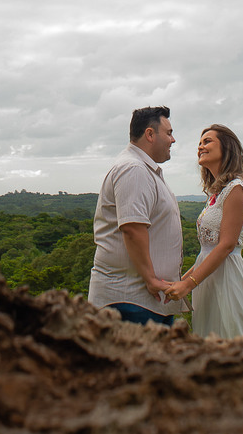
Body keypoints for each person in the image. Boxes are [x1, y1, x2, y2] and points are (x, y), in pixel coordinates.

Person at [164, 123, 243, 337]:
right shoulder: (217, 193)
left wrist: (188, 285)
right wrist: (182, 282)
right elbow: (207, 253)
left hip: (228, 280)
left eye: (207, 141)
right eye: (199, 143)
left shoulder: (236, 188)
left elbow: (226, 245)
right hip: (208, 280)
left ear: (227, 148)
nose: (200, 147)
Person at [87, 106, 187, 326]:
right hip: (130, 301)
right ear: (150, 134)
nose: (173, 140)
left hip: (142, 302)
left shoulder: (142, 168)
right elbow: (132, 228)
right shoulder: (134, 169)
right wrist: (150, 279)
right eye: (169, 133)